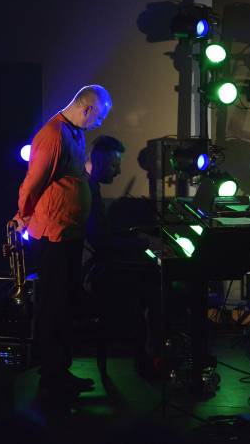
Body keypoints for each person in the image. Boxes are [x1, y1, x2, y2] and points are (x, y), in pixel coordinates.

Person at [14, 85, 112, 397]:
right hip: (54, 235)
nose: (99, 124)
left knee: (64, 303)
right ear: (87, 109)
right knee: (54, 306)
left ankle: (59, 371)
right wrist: (23, 215)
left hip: (68, 232)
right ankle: (52, 376)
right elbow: (32, 183)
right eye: (99, 117)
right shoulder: (54, 135)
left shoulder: (74, 132)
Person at [82, 135, 160, 378]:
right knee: (155, 287)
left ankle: (149, 353)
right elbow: (102, 242)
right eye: (114, 165)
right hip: (95, 274)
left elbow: (104, 235)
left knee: (151, 281)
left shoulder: (90, 186)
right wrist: (142, 242)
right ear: (99, 160)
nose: (118, 172)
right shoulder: (87, 190)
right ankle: (148, 356)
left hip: (99, 265)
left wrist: (136, 237)